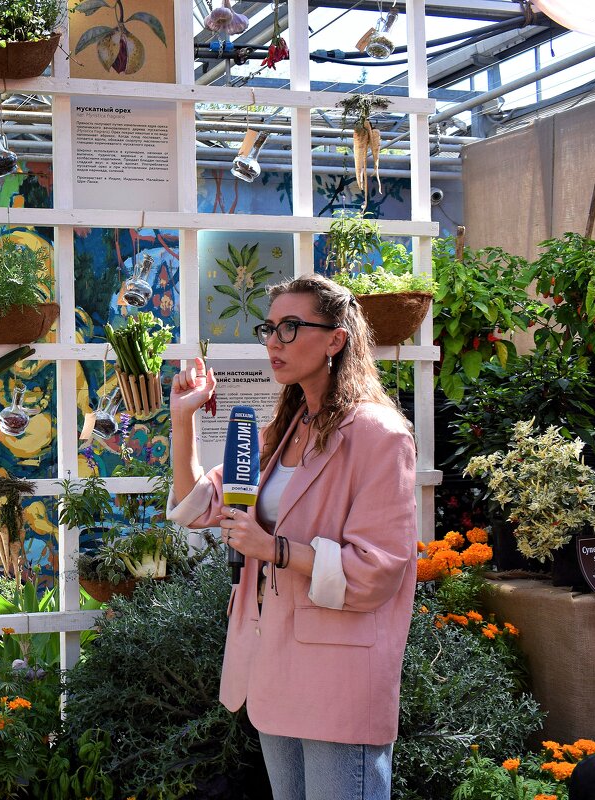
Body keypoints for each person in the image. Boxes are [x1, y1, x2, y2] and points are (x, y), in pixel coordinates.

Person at [168, 274, 417, 800]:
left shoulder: (379, 434)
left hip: (340, 672)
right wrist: (182, 421)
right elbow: (196, 507)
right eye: (270, 328)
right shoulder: (281, 432)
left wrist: (273, 548)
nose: (273, 342)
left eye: (290, 327)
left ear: (336, 338)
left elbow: (379, 569)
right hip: (274, 661)